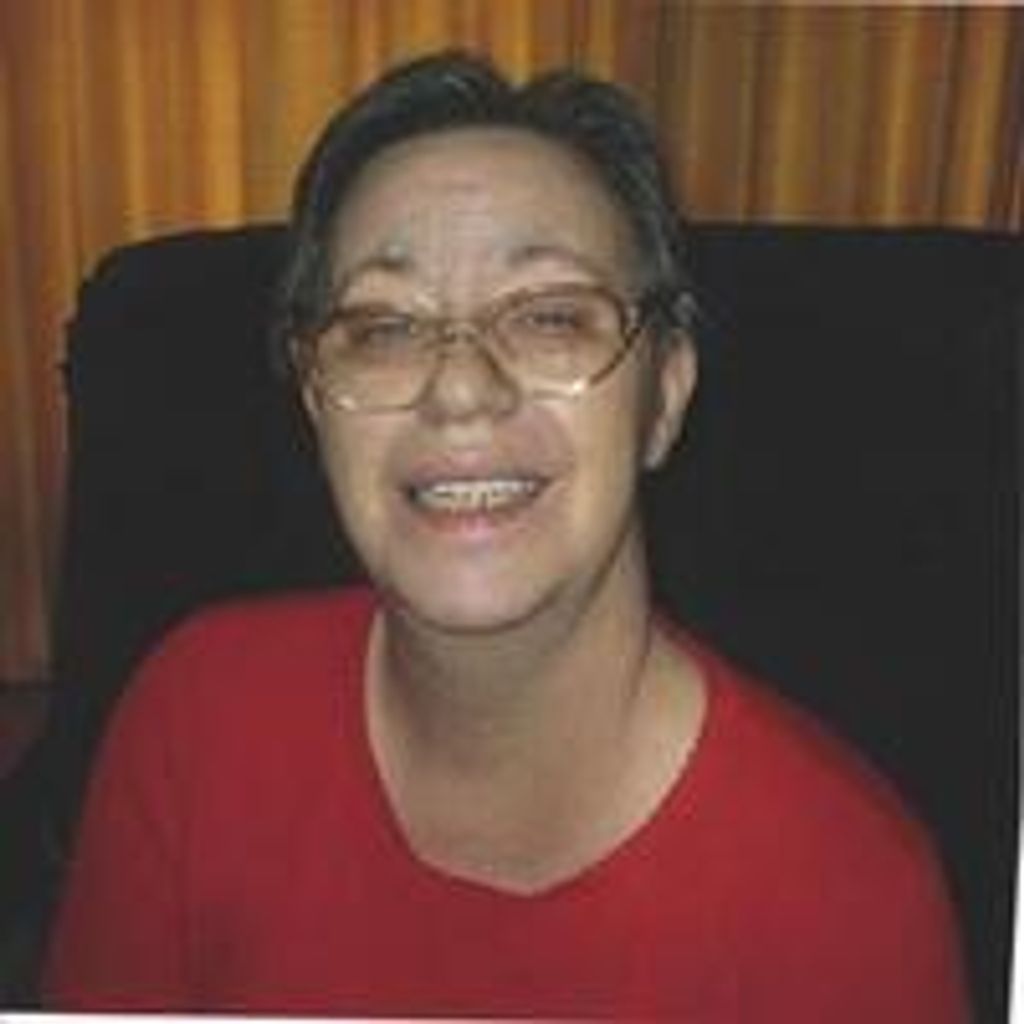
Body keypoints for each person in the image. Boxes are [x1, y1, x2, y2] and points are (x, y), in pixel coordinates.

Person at [43, 51, 972, 1020]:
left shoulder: (852, 896)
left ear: (664, 396)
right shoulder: (194, 723)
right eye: (383, 328)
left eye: (550, 318)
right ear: (316, 402)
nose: (459, 389)